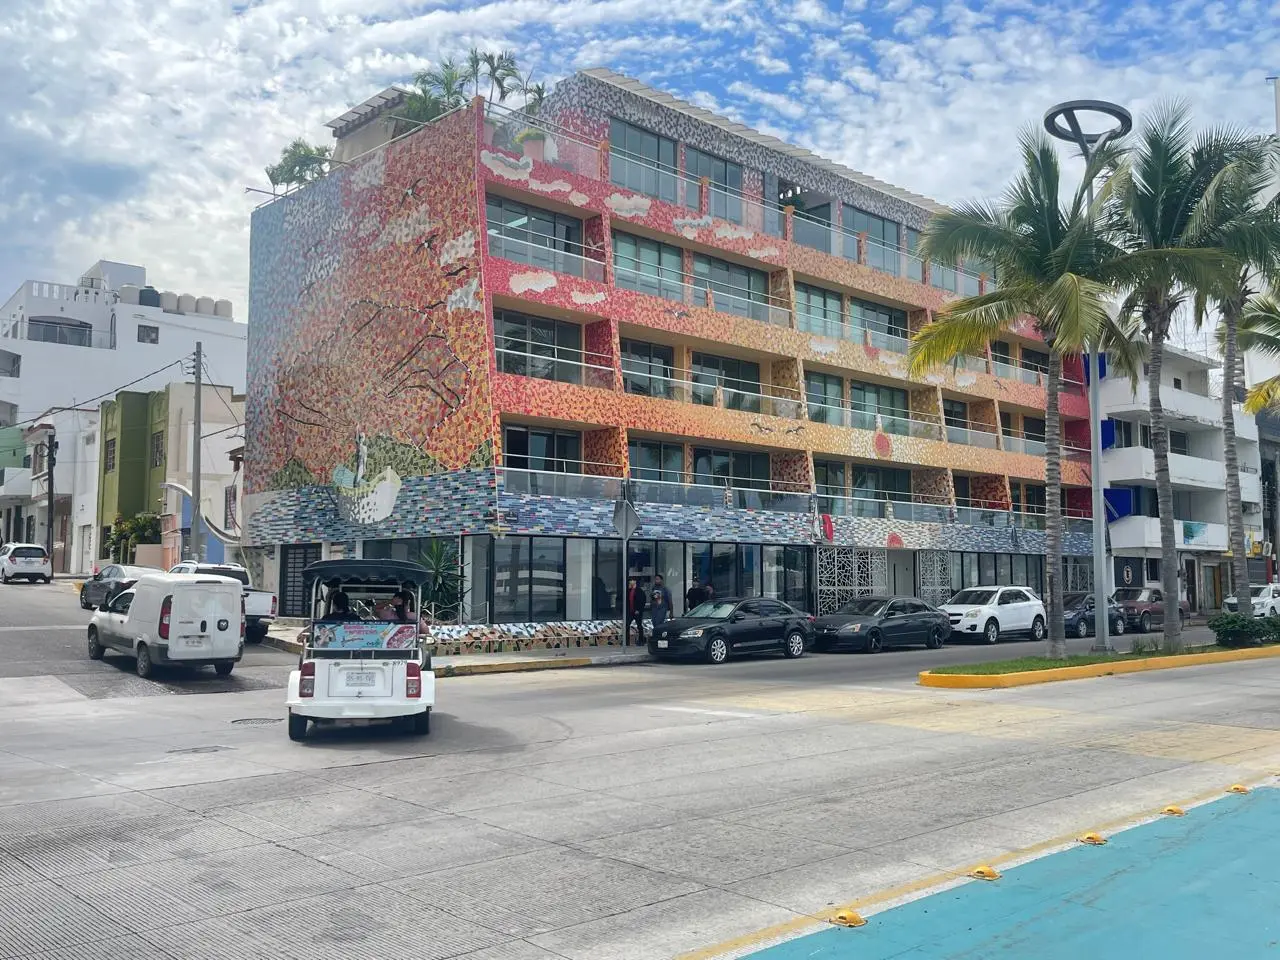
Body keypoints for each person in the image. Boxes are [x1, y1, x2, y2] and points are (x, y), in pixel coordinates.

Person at [626, 578, 647, 645]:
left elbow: (642, 601)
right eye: (630, 581)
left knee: (639, 625)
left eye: (632, 581)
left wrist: (638, 609)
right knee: (627, 625)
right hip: (630, 611)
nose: (631, 582)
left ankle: (641, 640)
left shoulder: (639, 591)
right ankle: (626, 641)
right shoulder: (628, 590)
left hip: (637, 611)